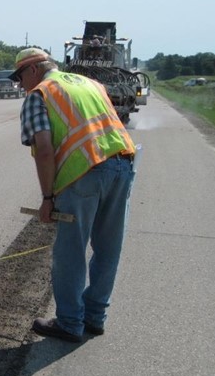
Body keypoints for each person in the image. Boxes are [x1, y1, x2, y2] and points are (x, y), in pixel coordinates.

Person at [8, 48, 137, 343]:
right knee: (108, 248)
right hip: (123, 164)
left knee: (70, 252)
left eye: (19, 77)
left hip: (84, 174)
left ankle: (69, 322)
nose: (19, 84)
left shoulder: (39, 94)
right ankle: (94, 317)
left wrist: (48, 197)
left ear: (33, 70)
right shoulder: (90, 84)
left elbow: (43, 149)